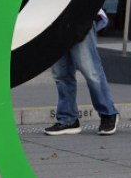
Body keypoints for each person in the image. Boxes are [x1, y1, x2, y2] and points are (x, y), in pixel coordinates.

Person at [43, 8, 119, 136]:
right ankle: (68, 119)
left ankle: (108, 113)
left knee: (91, 71)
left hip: (79, 15)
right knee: (61, 74)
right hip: (54, 19)